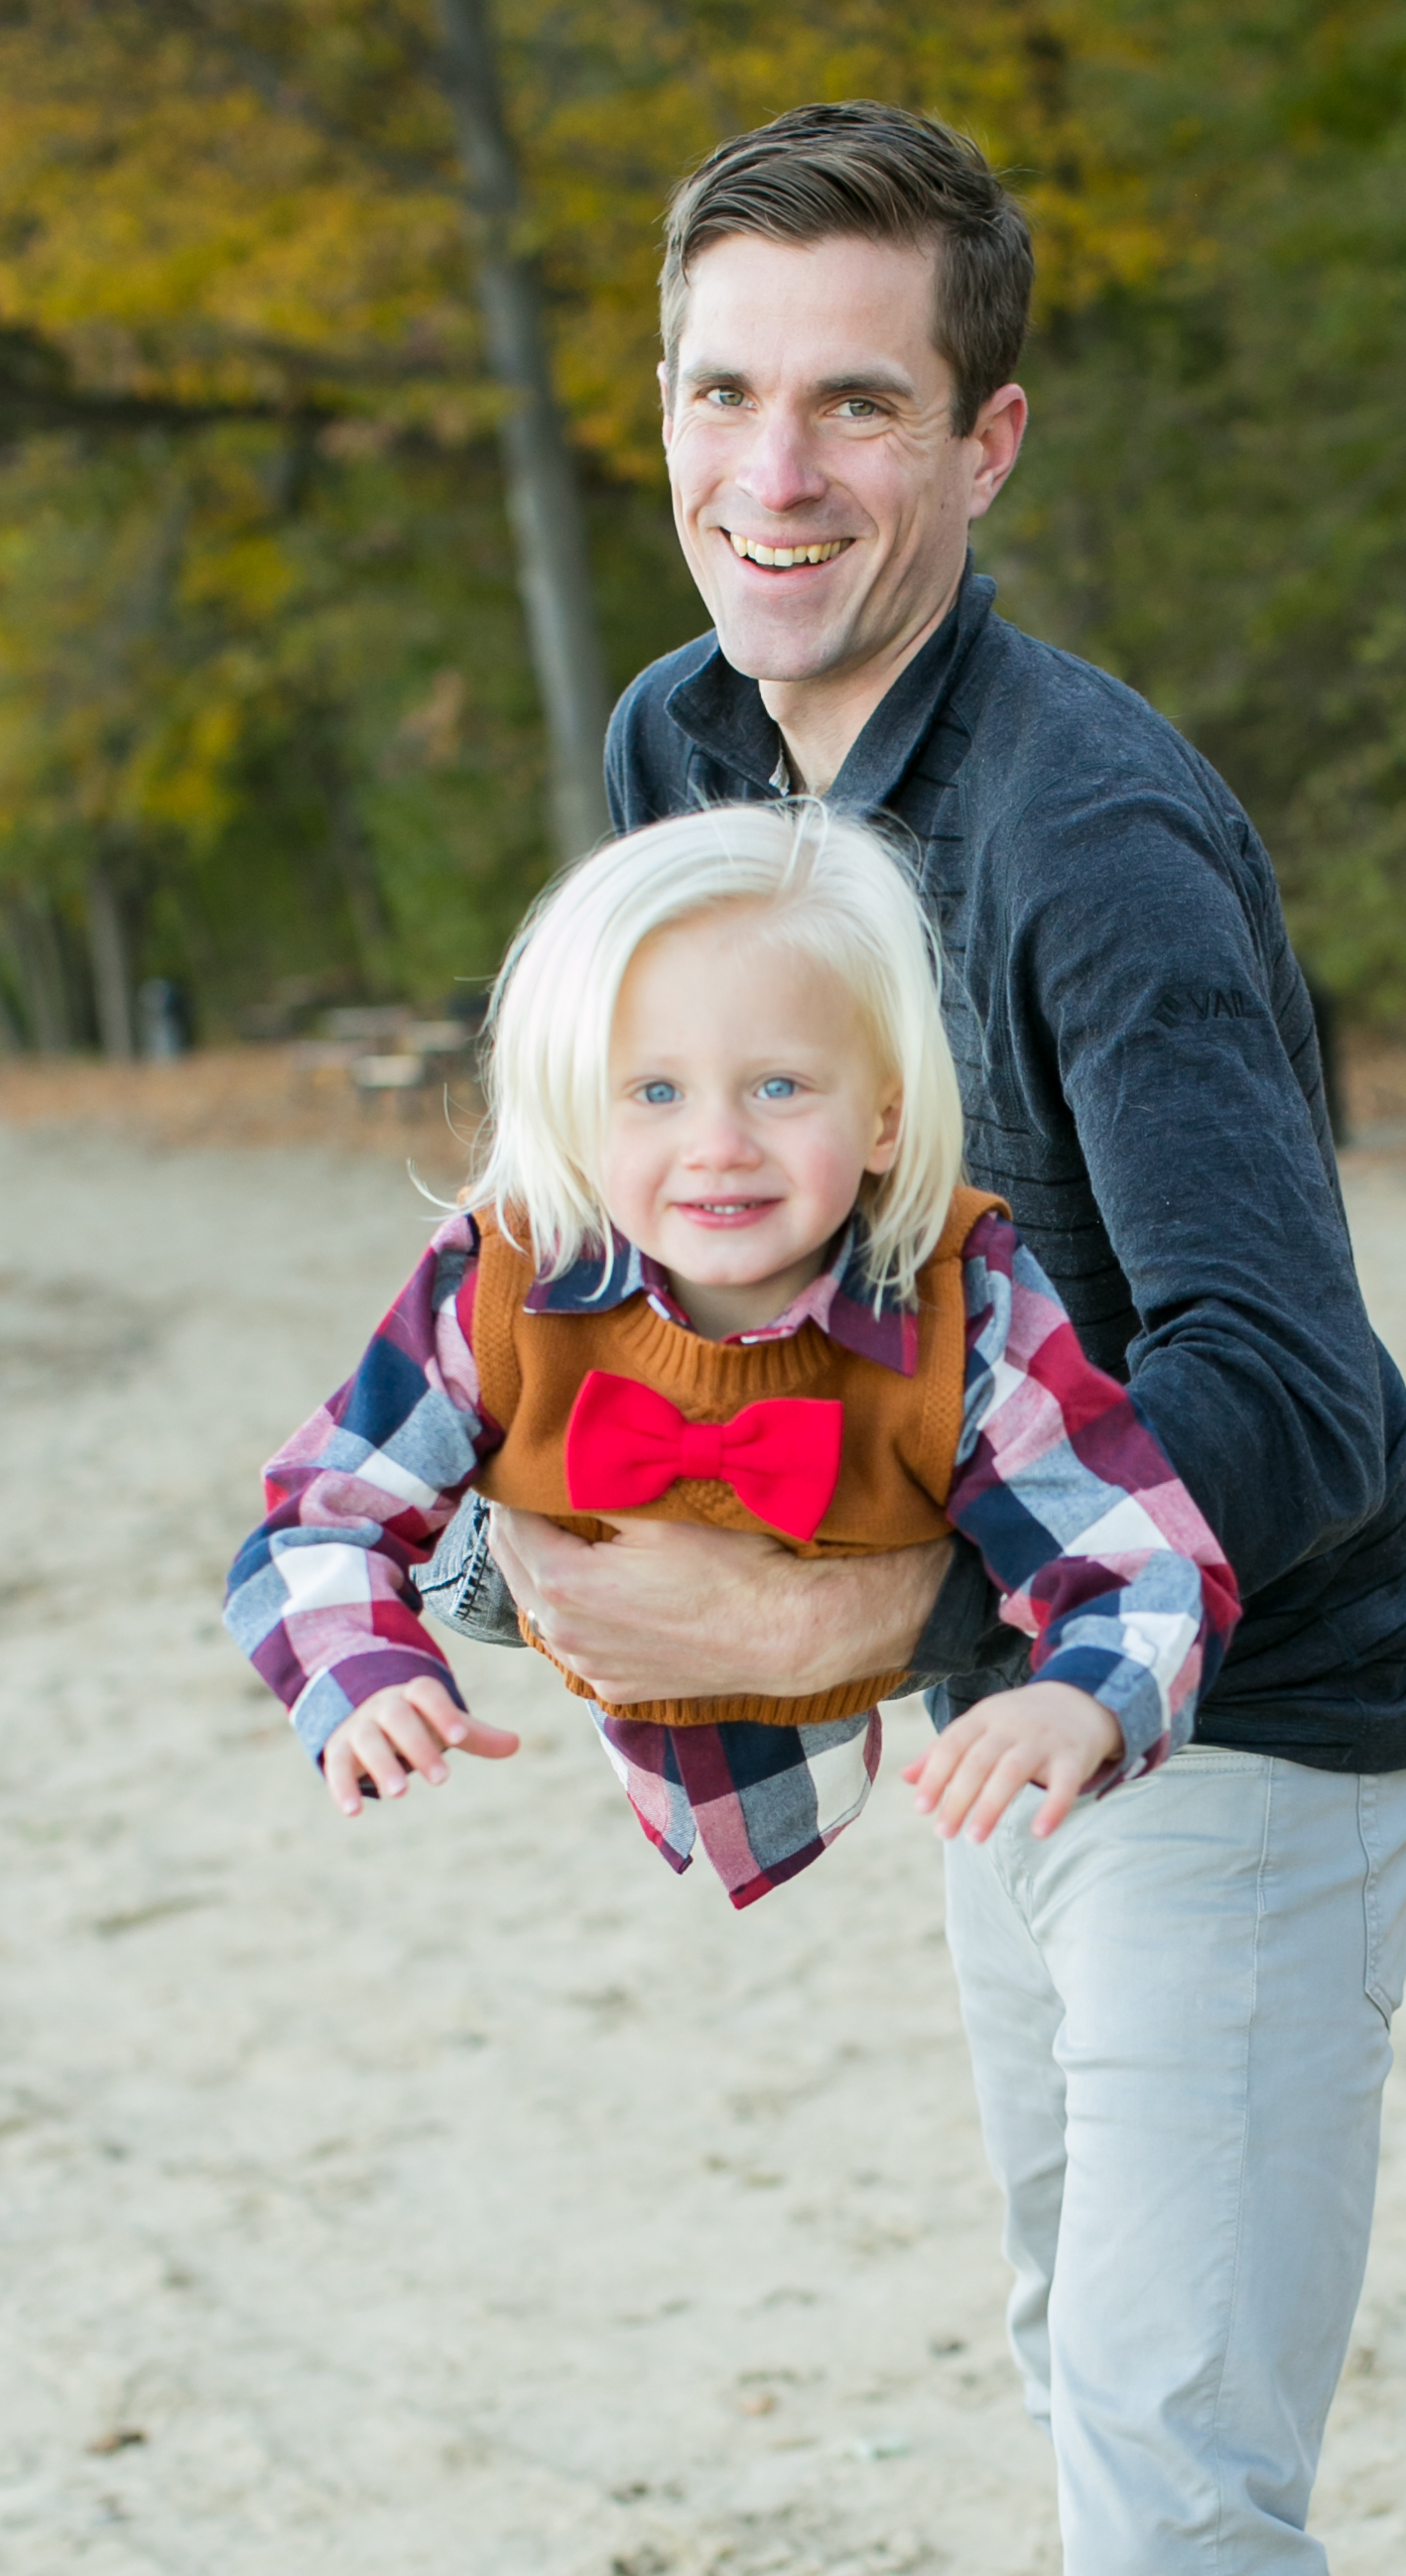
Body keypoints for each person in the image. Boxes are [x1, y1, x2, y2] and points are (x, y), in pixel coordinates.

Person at [433, 102, 1406, 2573]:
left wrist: (846, 1608)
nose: (770, 475)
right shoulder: (684, 749)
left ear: (984, 441)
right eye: (719, 394)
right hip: (993, 1700)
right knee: (1067, 2344)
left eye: (858, 405)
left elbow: (1293, 1384)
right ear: (657, 405)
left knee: (1168, 2478)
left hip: (1253, 1710)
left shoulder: (1086, 842)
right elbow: (680, 1190)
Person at [225, 801, 1238, 1909]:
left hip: (926, 1765)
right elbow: (316, 1515)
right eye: (655, 1091)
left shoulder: (963, 1298)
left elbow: (1145, 1556)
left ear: (886, 1117)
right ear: (575, 1116)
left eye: (780, 1086)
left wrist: (1083, 1700)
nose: (719, 1143)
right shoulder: (501, 1280)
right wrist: (364, 1679)